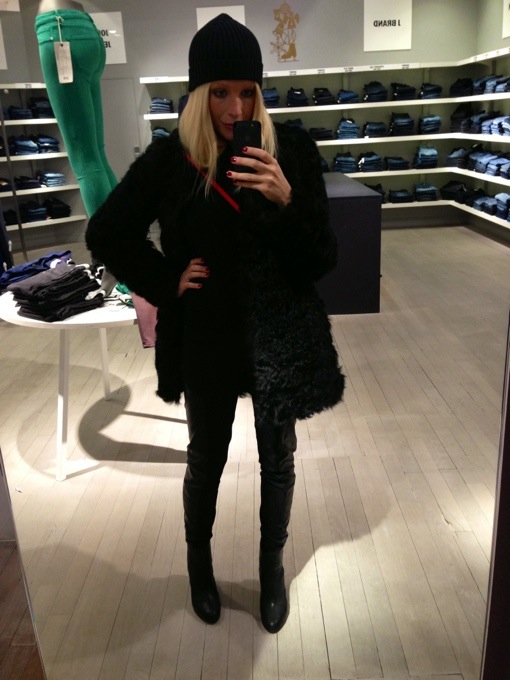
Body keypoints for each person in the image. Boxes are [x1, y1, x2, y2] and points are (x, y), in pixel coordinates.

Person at [86, 13, 344, 634]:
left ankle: (271, 570)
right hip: (206, 331)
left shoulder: (292, 153)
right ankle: (198, 566)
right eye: (220, 92)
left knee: (278, 459)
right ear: (198, 93)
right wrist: (164, 280)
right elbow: (108, 232)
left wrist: (286, 200)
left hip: (276, 334)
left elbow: (321, 260)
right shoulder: (172, 160)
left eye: (247, 92)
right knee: (207, 456)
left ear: (260, 93)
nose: (235, 108)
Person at [35, 1, 118, 218]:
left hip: (59, 30)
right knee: (96, 154)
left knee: (84, 159)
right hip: (84, 29)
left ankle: (109, 238)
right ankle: (125, 229)